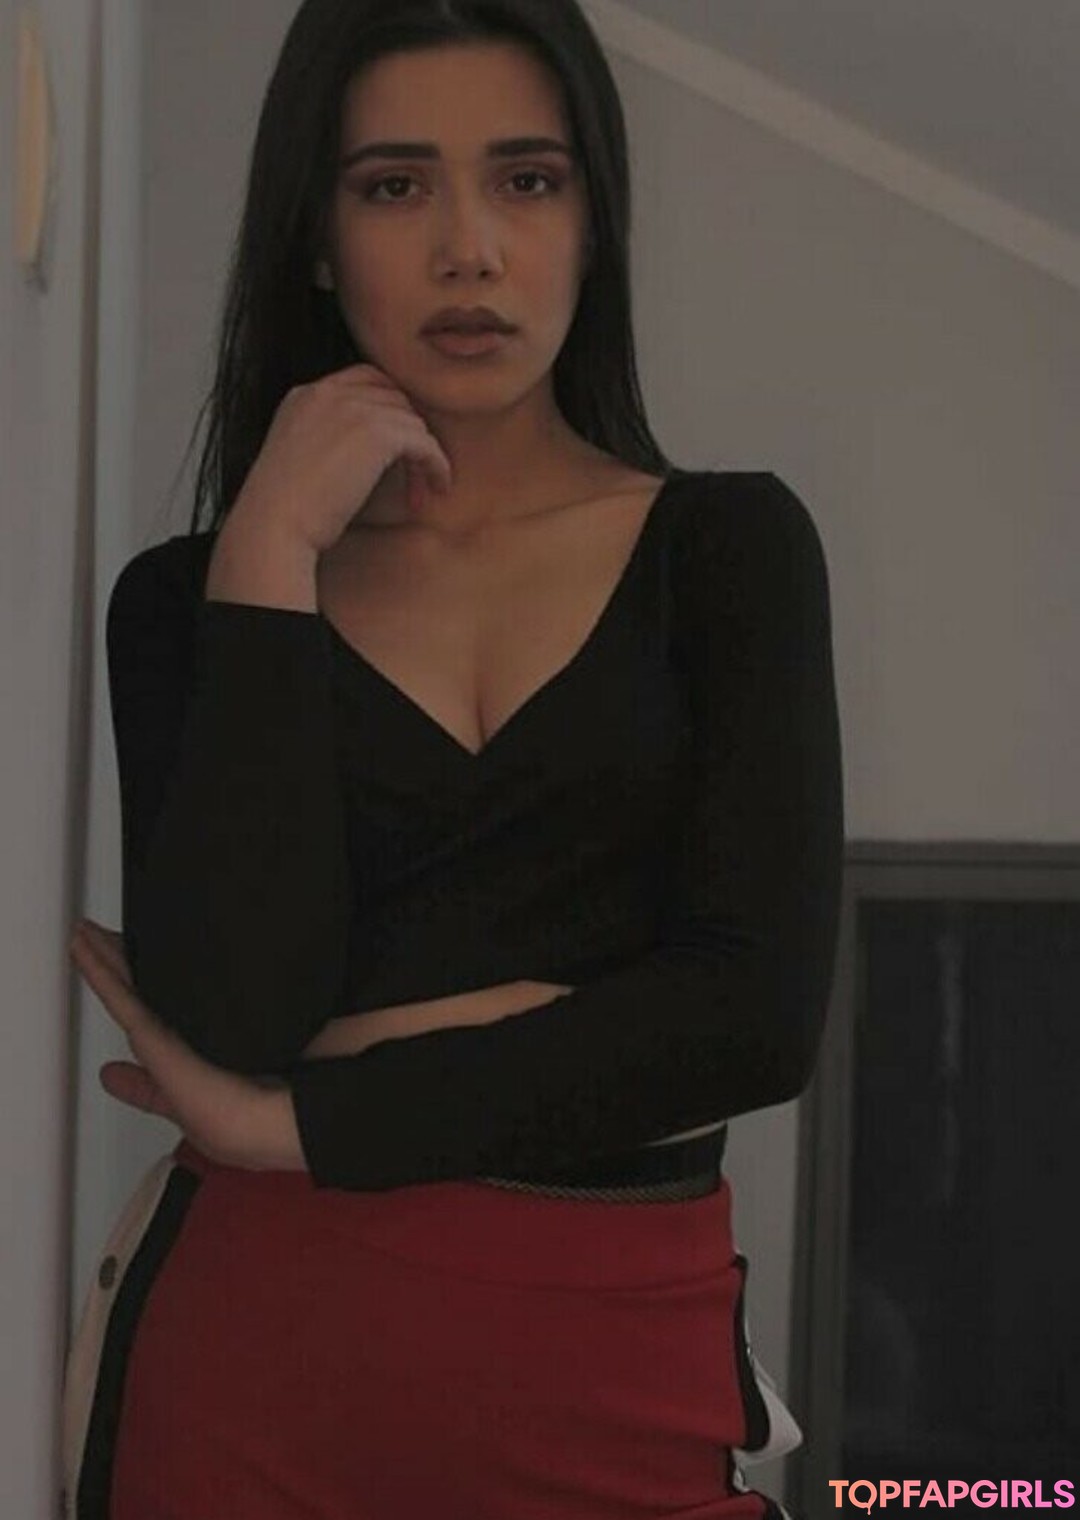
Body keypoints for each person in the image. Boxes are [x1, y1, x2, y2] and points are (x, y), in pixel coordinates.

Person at [66, 1, 844, 1516]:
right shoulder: (188, 603)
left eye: (527, 180)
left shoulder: (732, 553)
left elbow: (749, 1021)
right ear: (316, 238)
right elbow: (241, 1004)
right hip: (250, 1376)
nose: (469, 249)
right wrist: (269, 551)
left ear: (594, 224)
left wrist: (298, 1122)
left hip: (617, 1373)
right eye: (395, 185)